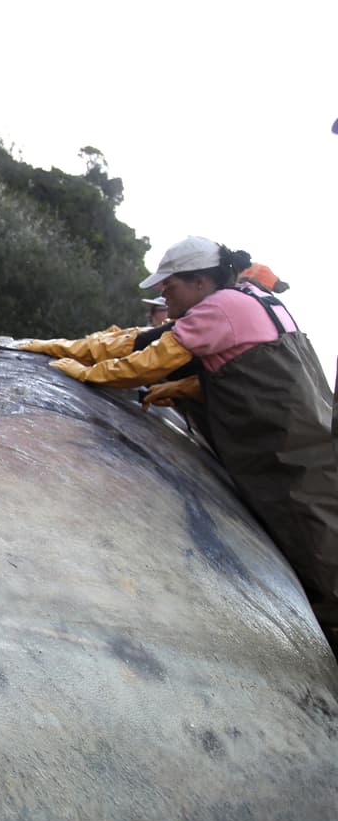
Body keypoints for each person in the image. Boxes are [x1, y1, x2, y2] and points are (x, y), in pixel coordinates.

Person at [47, 236, 338, 649]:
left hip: (286, 459)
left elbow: (146, 363)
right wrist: (189, 388)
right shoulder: (256, 299)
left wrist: (85, 373)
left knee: (318, 551)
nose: (164, 296)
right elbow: (257, 371)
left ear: (200, 282)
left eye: (170, 286)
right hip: (313, 443)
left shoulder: (217, 309)